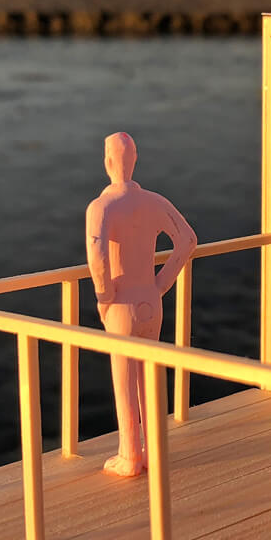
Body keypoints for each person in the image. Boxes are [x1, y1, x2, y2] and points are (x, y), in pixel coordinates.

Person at [85, 132, 197, 476]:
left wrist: (104, 296)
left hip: (121, 303)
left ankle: (130, 455)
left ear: (107, 162)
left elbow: (97, 255)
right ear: (134, 160)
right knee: (150, 377)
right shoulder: (154, 201)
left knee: (124, 383)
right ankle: (155, 450)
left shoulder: (101, 207)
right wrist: (161, 283)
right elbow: (188, 240)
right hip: (150, 299)